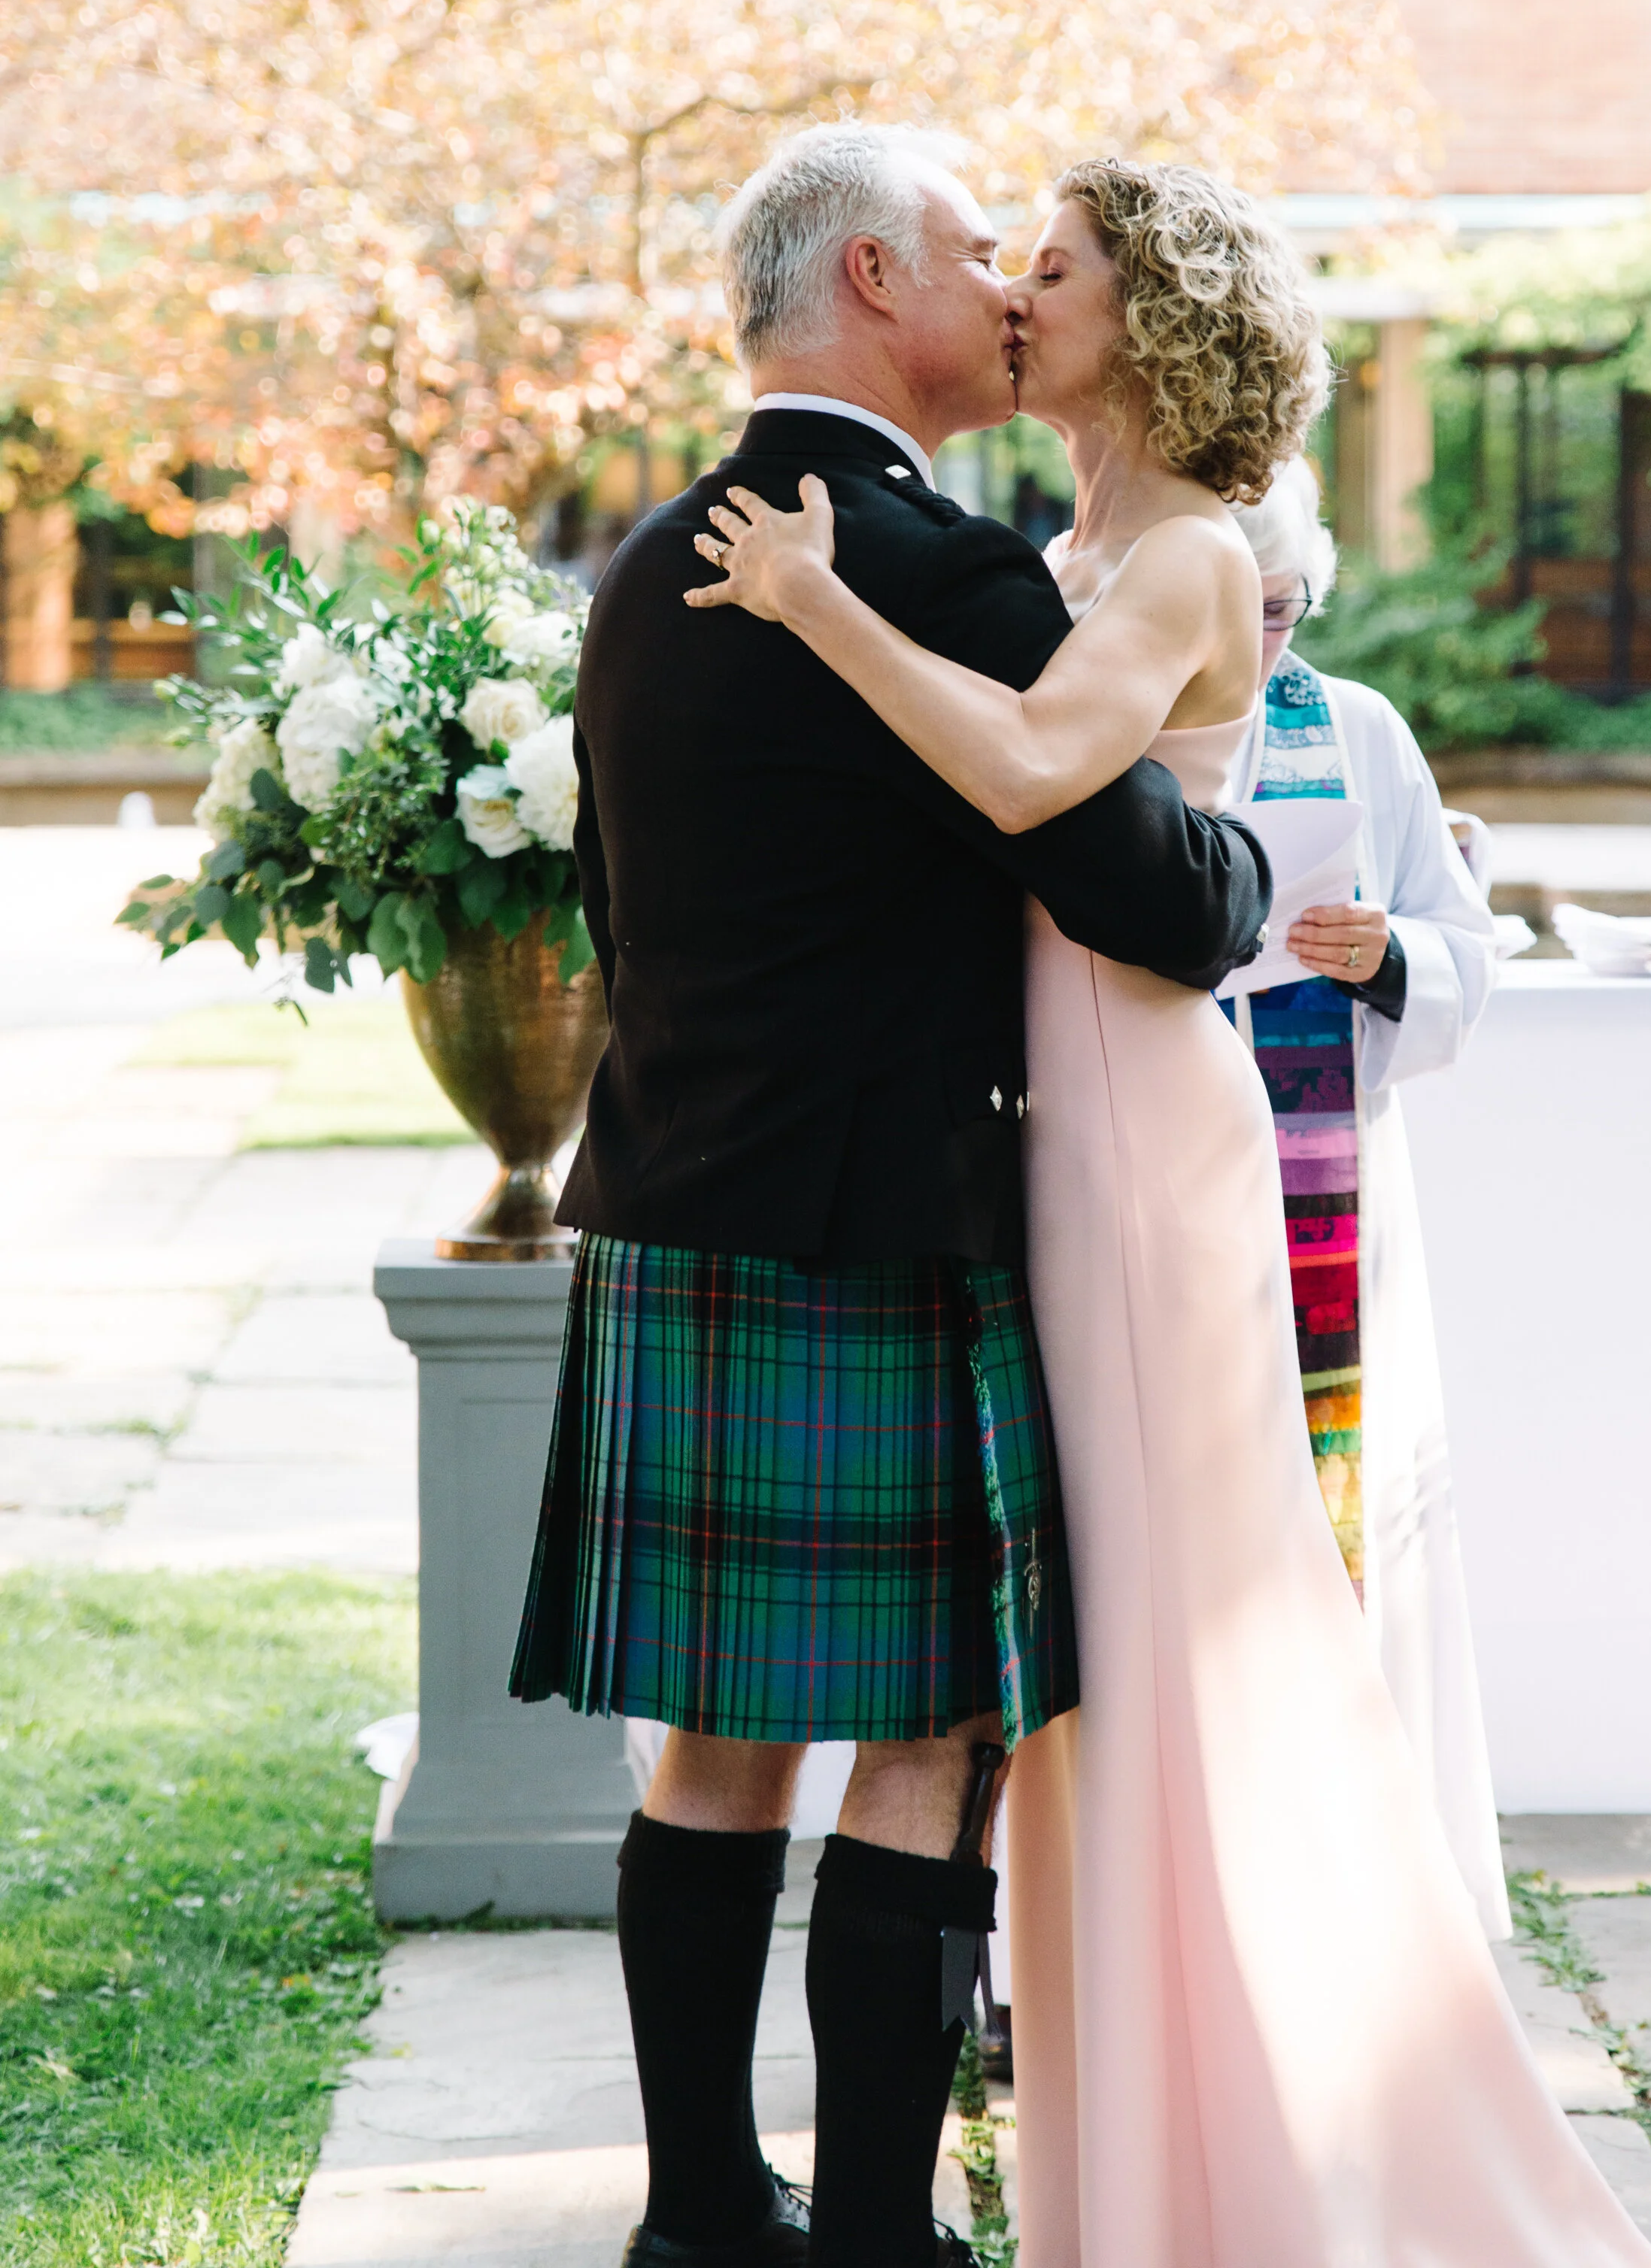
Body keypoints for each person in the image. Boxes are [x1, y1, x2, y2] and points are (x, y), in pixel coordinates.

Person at [696, 156, 1651, 2268]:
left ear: (1155, 318)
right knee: (1091, 1680)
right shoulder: (1078, 543)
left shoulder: (1198, 553)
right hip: (1046, 1117)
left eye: (1056, 267)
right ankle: (1136, 2154)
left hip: (1141, 1136)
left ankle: (1270, 2167)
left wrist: (815, 601)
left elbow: (1042, 773)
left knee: (1174, 1646)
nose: (1020, 293)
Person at [508, 124, 1270, 2268]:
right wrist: (1239, 835)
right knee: (928, 1733)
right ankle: (871, 2235)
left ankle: (693, 2219)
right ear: (866, 279)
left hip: (669, 1197)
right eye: (970, 249)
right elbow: (1151, 894)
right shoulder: (945, 572)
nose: (1011, 286)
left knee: (717, 1738)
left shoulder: (648, 568)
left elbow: (609, 902)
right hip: (887, 1224)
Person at [1223, 456, 1511, 1936]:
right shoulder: (1110, 716)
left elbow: (1466, 951)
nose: (1263, 635)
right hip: (1166, 1197)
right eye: (1236, 600)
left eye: (1284, 605)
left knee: (1325, 1537)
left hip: (1320, 1194)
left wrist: (1382, 951)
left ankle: (1336, 1886)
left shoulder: (1354, 731)